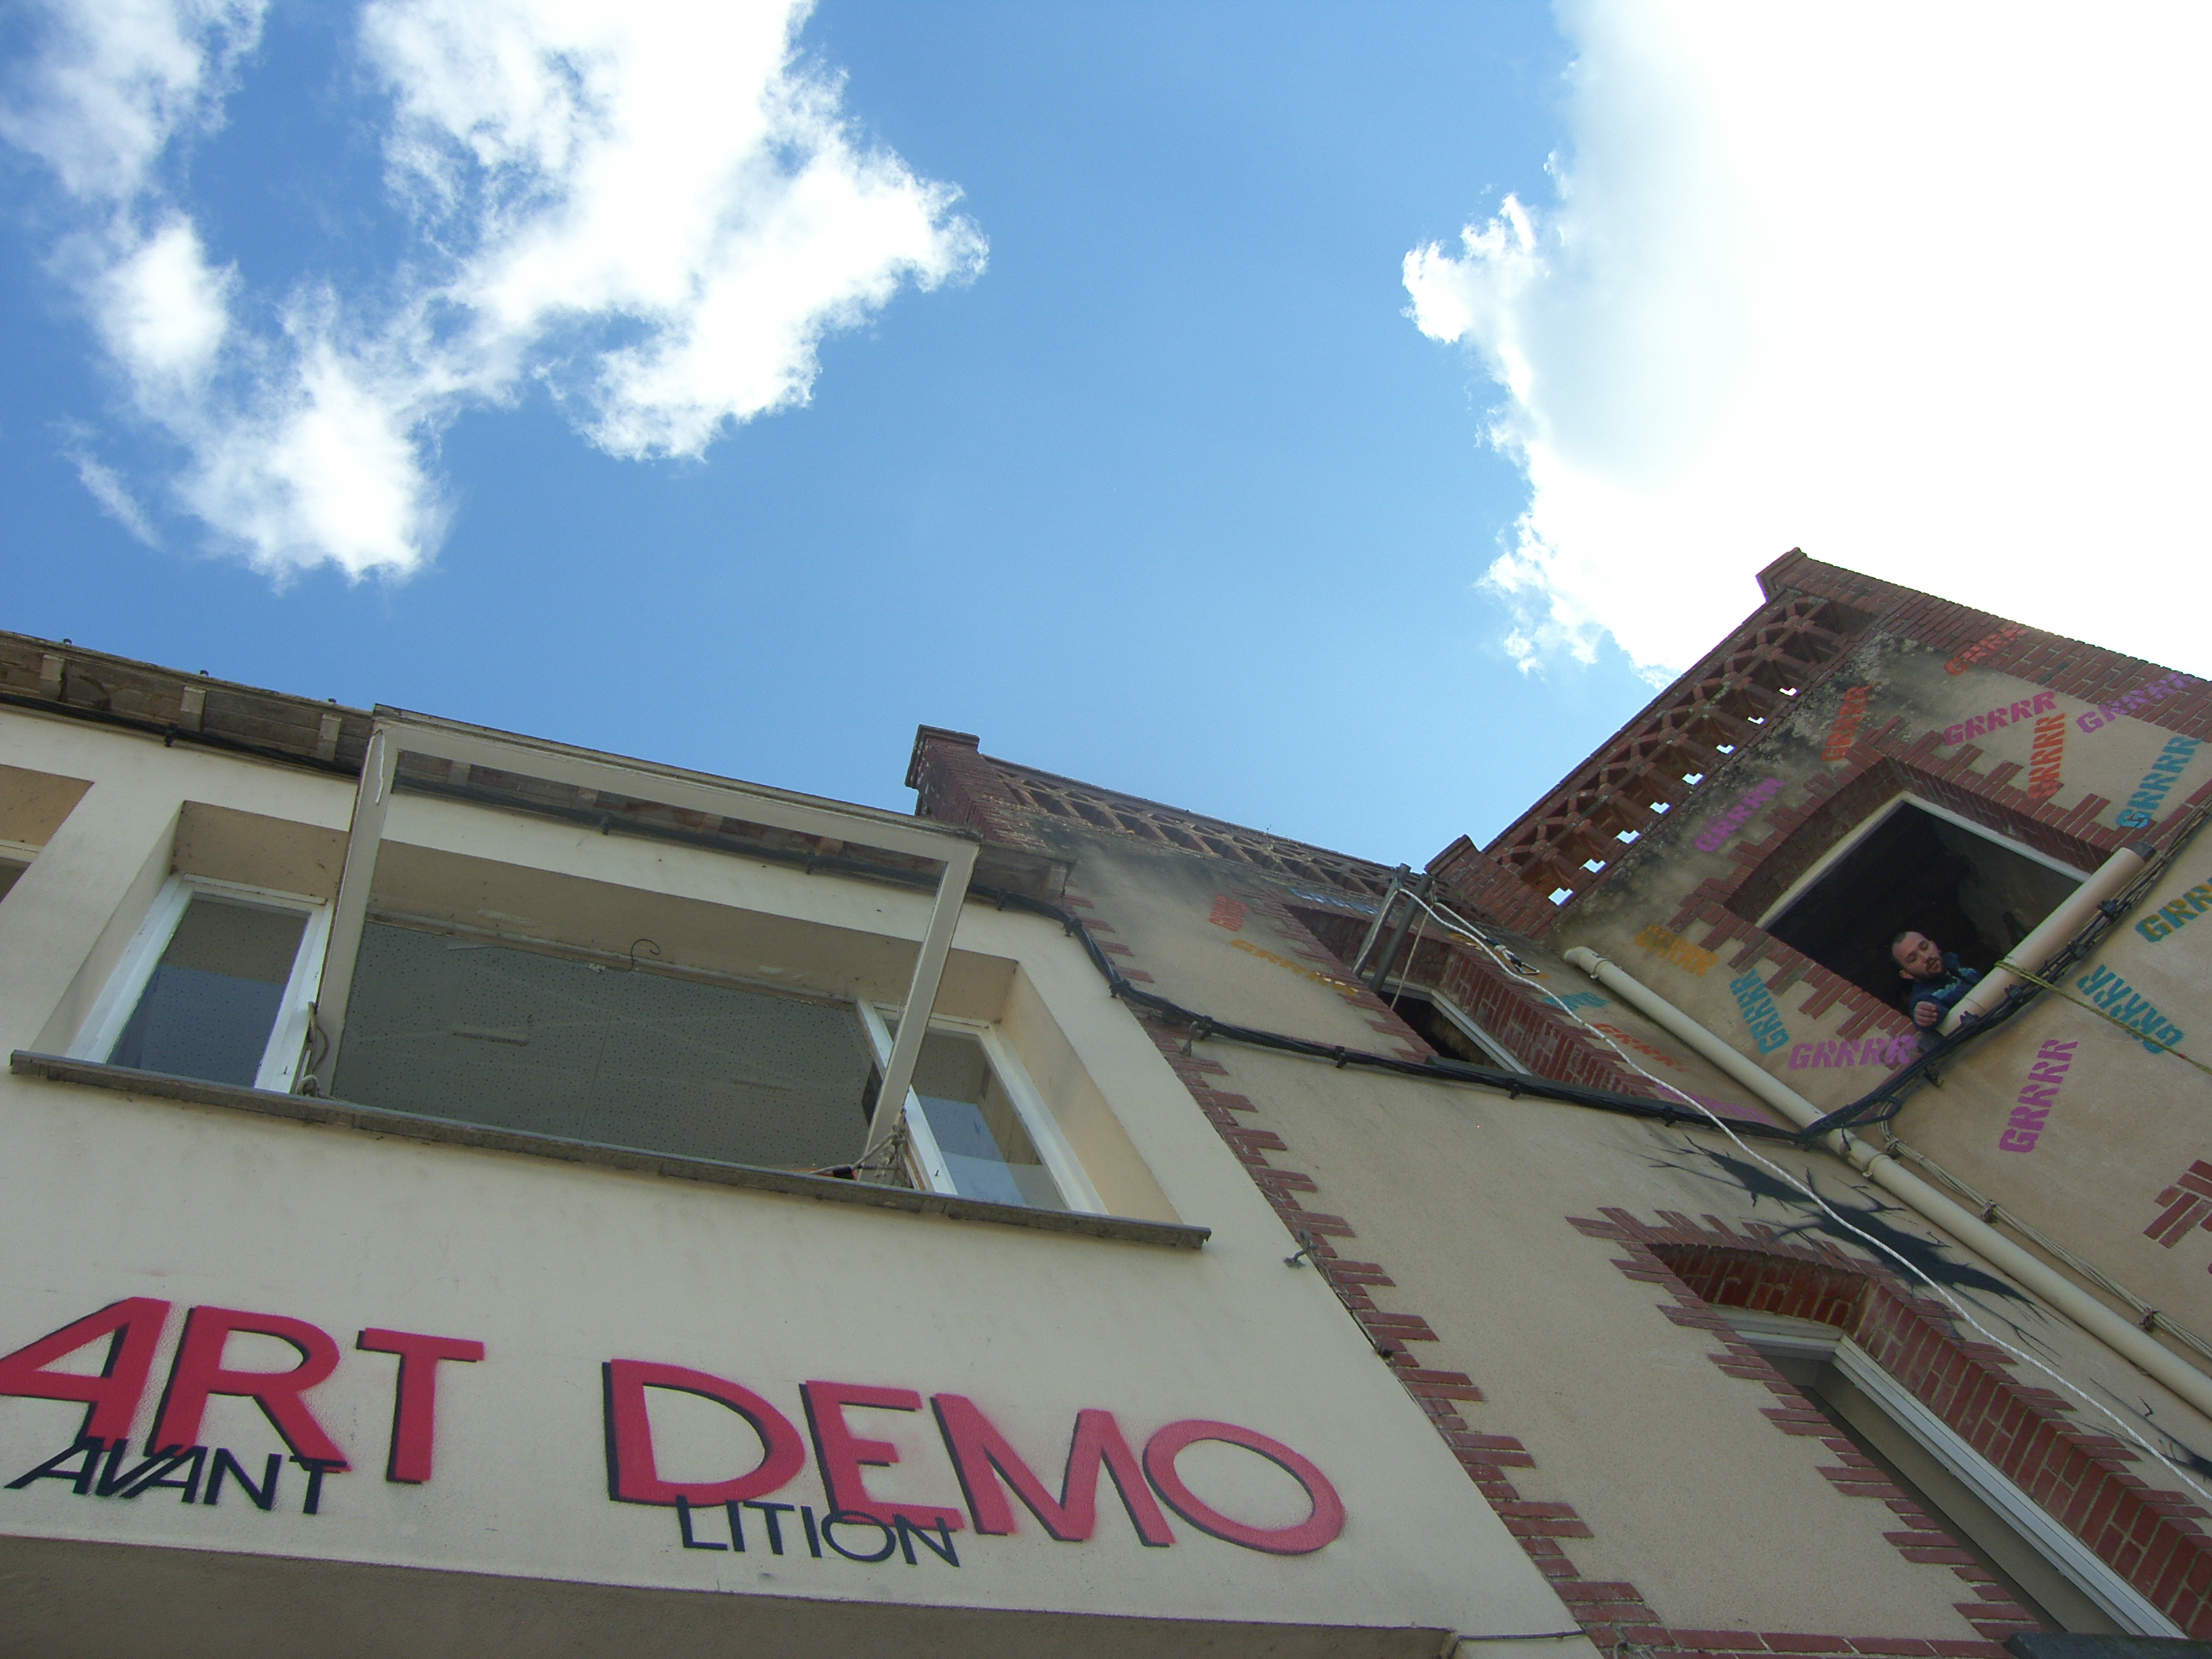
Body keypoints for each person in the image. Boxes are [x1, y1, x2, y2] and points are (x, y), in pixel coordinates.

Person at [1891, 931, 1980, 1031]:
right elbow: (1931, 1013)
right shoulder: (1924, 997)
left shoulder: (1957, 961)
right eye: (1913, 959)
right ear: (1906, 974)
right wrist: (1922, 1016)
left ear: (1934, 945)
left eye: (1925, 947)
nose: (1926, 957)